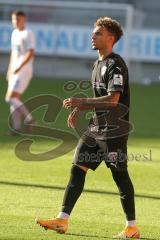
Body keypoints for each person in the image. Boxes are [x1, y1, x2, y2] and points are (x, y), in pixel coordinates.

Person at [36, 17, 140, 239]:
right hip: (95, 128)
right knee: (77, 168)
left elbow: (113, 99)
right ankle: (62, 220)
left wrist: (81, 103)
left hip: (114, 131)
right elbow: (100, 98)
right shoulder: (97, 64)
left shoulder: (115, 64)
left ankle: (131, 227)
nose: (92, 36)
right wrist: (83, 109)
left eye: (98, 33)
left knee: (119, 175)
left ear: (110, 38)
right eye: (93, 33)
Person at [5, 10, 35, 135]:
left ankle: (30, 119)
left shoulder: (28, 33)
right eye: (14, 19)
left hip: (24, 70)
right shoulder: (14, 33)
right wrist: (9, 69)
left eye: (18, 19)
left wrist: (20, 66)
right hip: (14, 70)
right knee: (14, 99)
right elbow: (14, 53)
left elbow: (30, 52)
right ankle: (16, 128)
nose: (16, 21)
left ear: (24, 20)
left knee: (10, 98)